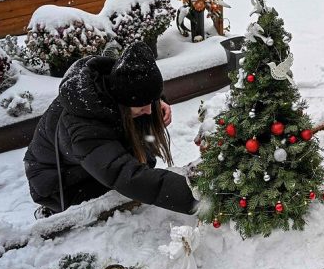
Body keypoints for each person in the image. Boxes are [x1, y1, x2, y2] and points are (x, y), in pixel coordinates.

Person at [24, 43, 198, 218]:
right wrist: (196, 197)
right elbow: (125, 175)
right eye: (142, 105)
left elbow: (136, 89)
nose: (149, 111)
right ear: (123, 101)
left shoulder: (113, 83)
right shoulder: (84, 127)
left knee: (142, 159)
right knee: (126, 178)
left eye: (150, 103)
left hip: (81, 161)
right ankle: (50, 212)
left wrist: (156, 99)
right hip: (56, 182)